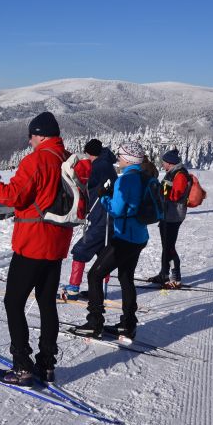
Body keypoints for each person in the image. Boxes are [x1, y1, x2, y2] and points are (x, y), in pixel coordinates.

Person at [0, 111, 73, 385]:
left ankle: (22, 367)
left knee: (13, 302)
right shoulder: (67, 159)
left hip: (32, 243)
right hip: (58, 241)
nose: (29, 142)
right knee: (47, 303)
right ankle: (47, 366)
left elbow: (12, 195)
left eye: (31, 136)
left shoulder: (36, 161)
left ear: (40, 135)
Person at [71, 142, 149, 340]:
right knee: (126, 278)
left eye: (121, 156)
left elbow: (115, 209)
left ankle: (95, 323)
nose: (119, 159)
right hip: (140, 236)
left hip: (124, 237)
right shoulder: (144, 177)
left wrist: (104, 197)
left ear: (128, 159)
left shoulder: (126, 180)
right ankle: (128, 325)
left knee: (95, 275)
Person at [62, 139, 105, 298]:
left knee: (80, 251)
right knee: (103, 253)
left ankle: (73, 287)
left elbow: (72, 178)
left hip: (98, 218)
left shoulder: (89, 167)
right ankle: (100, 289)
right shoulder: (107, 166)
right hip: (107, 219)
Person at [146, 148, 190, 287]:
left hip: (174, 215)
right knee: (166, 246)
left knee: (169, 247)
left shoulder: (180, 175)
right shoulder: (172, 173)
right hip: (167, 214)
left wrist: (160, 193)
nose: (162, 165)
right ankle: (164, 274)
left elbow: (175, 196)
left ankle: (175, 276)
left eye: (164, 162)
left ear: (170, 163)